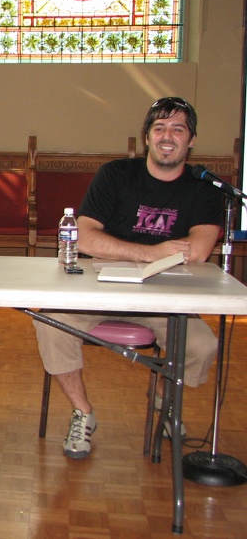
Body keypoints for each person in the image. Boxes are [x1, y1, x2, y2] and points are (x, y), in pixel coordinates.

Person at [33, 97, 222, 459]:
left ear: (191, 139)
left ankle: (163, 402)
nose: (168, 136)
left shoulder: (204, 190)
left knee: (202, 346)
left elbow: (197, 250)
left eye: (178, 129)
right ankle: (83, 413)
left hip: (164, 293)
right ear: (147, 136)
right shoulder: (116, 175)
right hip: (98, 285)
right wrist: (152, 252)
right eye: (160, 128)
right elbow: (83, 237)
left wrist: (119, 246)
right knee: (50, 322)